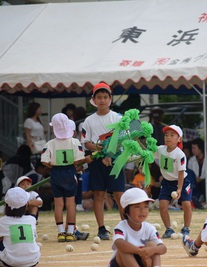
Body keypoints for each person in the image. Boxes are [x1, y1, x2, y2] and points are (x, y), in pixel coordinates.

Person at [81, 82, 126, 240]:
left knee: (119, 195)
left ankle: (126, 227)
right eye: (98, 97)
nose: (102, 100)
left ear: (110, 99)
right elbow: (86, 142)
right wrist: (101, 150)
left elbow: (122, 139)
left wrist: (110, 154)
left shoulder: (117, 118)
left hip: (115, 160)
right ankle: (101, 228)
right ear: (93, 99)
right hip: (96, 161)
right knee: (98, 195)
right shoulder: (88, 121)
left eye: (105, 97)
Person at [41, 113, 90, 242]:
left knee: (58, 204)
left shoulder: (49, 144)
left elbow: (45, 162)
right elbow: (79, 160)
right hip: (69, 172)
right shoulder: (74, 142)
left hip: (55, 173)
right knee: (71, 204)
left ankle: (60, 232)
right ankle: (70, 232)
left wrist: (52, 164)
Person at [109, 188, 167, 267]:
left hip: (143, 261)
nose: (142, 210)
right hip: (123, 263)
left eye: (146, 206)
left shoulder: (150, 228)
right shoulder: (121, 227)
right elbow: (119, 243)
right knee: (123, 250)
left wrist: (151, 250)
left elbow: (163, 248)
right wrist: (140, 251)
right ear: (125, 210)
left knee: (152, 245)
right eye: (137, 207)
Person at [153, 125, 192, 238]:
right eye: (166, 135)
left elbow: (181, 173)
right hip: (167, 182)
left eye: (172, 135)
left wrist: (179, 189)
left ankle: (186, 228)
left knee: (186, 204)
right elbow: (149, 153)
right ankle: (168, 229)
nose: (168, 137)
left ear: (179, 139)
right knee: (162, 205)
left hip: (182, 181)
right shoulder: (160, 149)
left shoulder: (180, 154)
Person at [0, 187, 41, 266]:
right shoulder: (31, 219)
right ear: (26, 205)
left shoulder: (3, 221)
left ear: (6, 205)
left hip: (11, 263)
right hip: (33, 261)